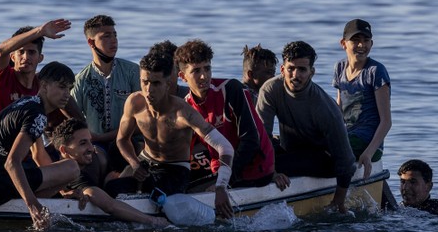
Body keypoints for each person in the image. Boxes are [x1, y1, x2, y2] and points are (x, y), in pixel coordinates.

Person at [113, 51, 236, 218]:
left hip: (175, 169)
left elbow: (225, 147)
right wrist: (134, 163)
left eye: (156, 83)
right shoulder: (134, 102)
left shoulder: (183, 113)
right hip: (145, 161)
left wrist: (221, 186)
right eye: (145, 82)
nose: (149, 90)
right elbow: (122, 139)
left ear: (168, 83)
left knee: (155, 196)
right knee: (112, 189)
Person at [0, 62, 81, 229]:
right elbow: (12, 163)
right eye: (62, 87)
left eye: (69, 89)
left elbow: (38, 155)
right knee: (72, 167)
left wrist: (60, 190)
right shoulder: (38, 116)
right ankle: (31, 203)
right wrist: (32, 204)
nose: (66, 94)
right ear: (44, 86)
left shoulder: (27, 103)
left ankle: (31, 198)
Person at [256, 41, 356, 213]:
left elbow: (346, 162)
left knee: (271, 166)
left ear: (312, 72)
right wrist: (272, 173)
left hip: (323, 159)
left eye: (302, 70)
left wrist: (338, 201)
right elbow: (261, 137)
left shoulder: (325, 108)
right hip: (291, 150)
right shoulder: (270, 90)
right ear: (282, 69)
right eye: (291, 69)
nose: (296, 75)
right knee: (248, 158)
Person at [174, 39, 288, 191]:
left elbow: (251, 141)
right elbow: (184, 150)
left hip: (255, 170)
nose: (204, 76)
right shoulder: (185, 106)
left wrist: (223, 182)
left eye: (207, 69)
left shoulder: (231, 89)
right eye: (196, 71)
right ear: (182, 76)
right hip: (221, 169)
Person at [51, 118, 168, 228]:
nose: (91, 148)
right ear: (64, 150)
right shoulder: (73, 173)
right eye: (83, 143)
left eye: (90, 142)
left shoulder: (92, 163)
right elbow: (109, 205)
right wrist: (153, 221)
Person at [70, 14, 141, 177]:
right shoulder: (81, 80)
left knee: (127, 151)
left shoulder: (132, 72)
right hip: (95, 145)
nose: (114, 40)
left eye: (115, 35)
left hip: (130, 140)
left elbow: (143, 120)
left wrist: (105, 137)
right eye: (106, 36)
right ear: (91, 42)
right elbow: (74, 121)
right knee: (94, 161)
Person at [332, 19, 392, 178]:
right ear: (343, 43)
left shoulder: (376, 71)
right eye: (356, 40)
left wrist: (368, 153)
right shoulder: (339, 68)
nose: (361, 45)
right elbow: (338, 110)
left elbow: (386, 121)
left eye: (366, 40)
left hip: (368, 142)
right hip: (348, 136)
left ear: (372, 43)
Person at [0, 19, 71, 125]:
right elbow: (1, 51)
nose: (26, 57)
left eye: (31, 52)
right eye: (21, 52)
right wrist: (39, 31)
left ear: (40, 58)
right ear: (12, 57)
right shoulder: (2, 78)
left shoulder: (41, 84)